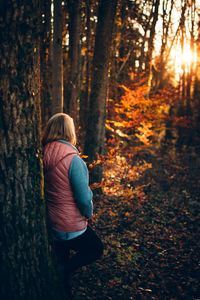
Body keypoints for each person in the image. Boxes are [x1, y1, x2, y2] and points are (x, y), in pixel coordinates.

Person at [42, 113, 104, 297]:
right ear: (70, 131)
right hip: (69, 225)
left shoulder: (41, 154)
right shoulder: (73, 160)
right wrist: (88, 214)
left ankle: (62, 283)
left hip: (51, 222)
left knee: (63, 260)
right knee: (95, 249)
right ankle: (63, 271)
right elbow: (84, 198)